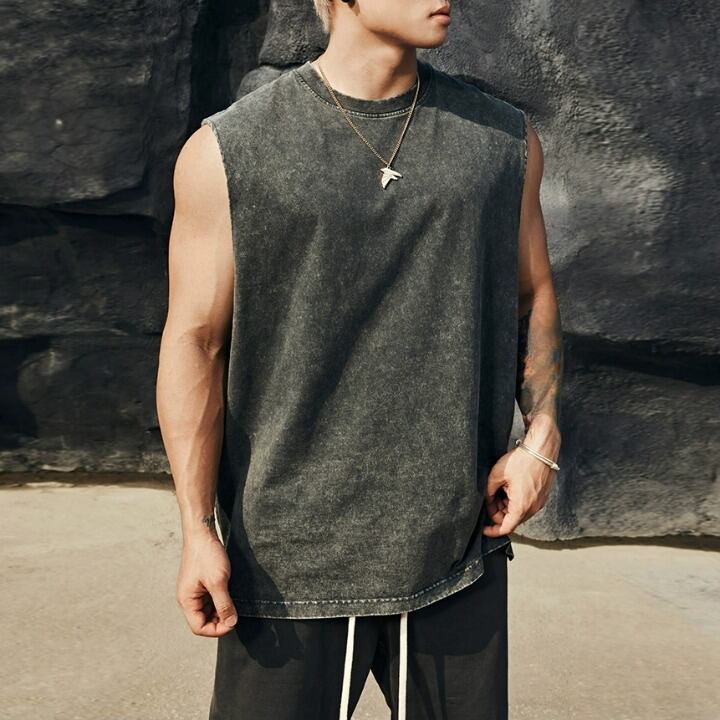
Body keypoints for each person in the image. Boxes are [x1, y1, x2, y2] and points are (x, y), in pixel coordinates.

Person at [156, 0, 563, 718]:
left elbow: (532, 298)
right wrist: (196, 528)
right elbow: (196, 342)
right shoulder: (229, 150)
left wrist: (541, 440)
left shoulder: (503, 142)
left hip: (455, 545)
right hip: (287, 558)